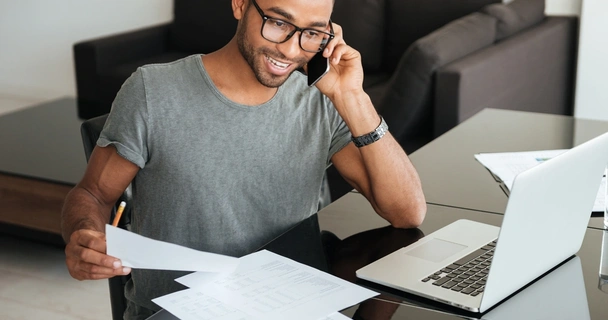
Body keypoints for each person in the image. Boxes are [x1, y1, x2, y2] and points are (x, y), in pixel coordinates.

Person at [61, 0, 427, 318]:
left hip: (291, 306)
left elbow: (407, 212)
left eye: (312, 33)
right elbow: (93, 195)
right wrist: (83, 234)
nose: (290, 50)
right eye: (279, 23)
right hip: (179, 311)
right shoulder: (152, 92)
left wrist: (353, 98)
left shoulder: (320, 99)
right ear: (240, 5)